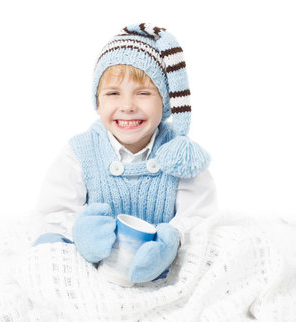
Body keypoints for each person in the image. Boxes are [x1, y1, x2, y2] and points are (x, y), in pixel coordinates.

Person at [34, 23, 218, 283]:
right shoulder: (81, 151)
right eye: (113, 94)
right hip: (94, 269)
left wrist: (173, 239)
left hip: (161, 270)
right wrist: (81, 230)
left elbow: (200, 216)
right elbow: (53, 214)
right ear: (97, 102)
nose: (128, 106)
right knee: (42, 260)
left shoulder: (179, 154)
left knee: (224, 252)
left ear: (164, 102)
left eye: (143, 93)